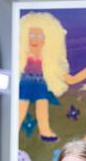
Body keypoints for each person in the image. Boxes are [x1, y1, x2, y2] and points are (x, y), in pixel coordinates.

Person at [19, 12, 69, 142]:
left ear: (47, 38)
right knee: (21, 106)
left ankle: (45, 130)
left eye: (39, 35)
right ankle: (15, 127)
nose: (35, 38)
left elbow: (56, 71)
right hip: (25, 82)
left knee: (42, 106)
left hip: (41, 83)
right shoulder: (23, 55)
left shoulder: (47, 57)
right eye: (31, 34)